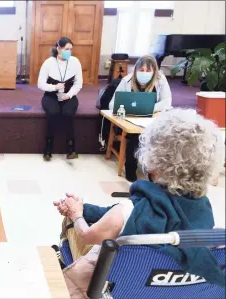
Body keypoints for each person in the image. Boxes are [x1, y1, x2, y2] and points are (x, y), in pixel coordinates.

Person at [54, 109, 225, 298]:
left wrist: (76, 213)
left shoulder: (128, 210)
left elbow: (86, 235)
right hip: (170, 289)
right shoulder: (205, 209)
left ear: (154, 160)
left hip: (118, 285)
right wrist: (85, 208)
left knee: (71, 224)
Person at [108, 54, 173, 182]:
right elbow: (112, 104)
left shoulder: (160, 80)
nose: (144, 73)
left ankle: (153, 170)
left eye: (148, 70)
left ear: (154, 71)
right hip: (132, 119)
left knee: (160, 135)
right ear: (136, 70)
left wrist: (149, 108)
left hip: (152, 118)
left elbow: (167, 101)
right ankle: (130, 167)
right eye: (141, 70)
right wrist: (126, 108)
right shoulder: (127, 80)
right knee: (136, 136)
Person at [38, 37, 83, 161]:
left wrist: (69, 95)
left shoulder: (75, 62)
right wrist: (54, 87)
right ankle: (48, 148)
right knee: (53, 112)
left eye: (70, 49)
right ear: (58, 48)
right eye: (66, 49)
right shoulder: (48, 63)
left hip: (69, 95)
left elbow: (78, 84)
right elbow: (40, 84)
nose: (69, 52)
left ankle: (71, 148)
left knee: (68, 113)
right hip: (51, 95)